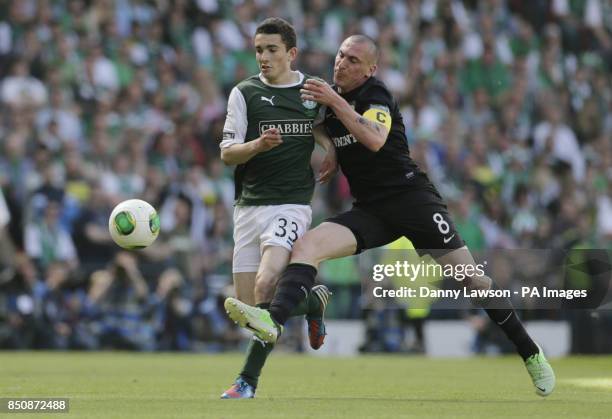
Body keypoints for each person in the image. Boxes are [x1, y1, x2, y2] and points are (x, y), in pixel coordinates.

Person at [225, 35, 556, 397]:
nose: (342, 64)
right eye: (340, 56)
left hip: (413, 201)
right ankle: (268, 335)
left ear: (371, 69)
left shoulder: (375, 95)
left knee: (472, 281)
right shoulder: (322, 99)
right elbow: (315, 126)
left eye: (353, 60)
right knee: (306, 247)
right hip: (371, 210)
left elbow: (376, 139)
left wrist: (336, 103)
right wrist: (330, 145)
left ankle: (531, 352)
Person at [218, 18, 336, 399]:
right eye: (258, 50)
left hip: (290, 205)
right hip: (248, 206)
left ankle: (246, 381)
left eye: (271, 50)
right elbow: (226, 153)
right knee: (251, 307)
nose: (263, 57)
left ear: (291, 53)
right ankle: (310, 302)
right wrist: (257, 146)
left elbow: (321, 126)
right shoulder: (244, 92)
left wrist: (330, 147)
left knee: (268, 282)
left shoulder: (311, 91)